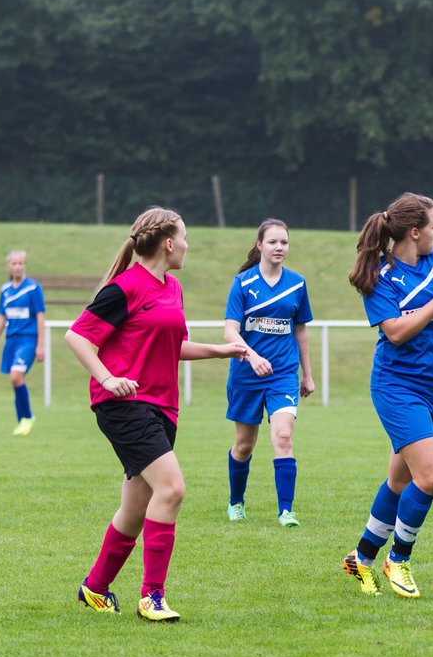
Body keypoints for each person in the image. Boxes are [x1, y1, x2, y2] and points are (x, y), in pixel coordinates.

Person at [66, 207, 246, 621]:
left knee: (135, 508)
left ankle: (94, 588)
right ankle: (152, 596)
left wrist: (220, 350)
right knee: (173, 489)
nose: (187, 245)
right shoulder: (125, 288)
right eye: (184, 237)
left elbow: (172, 346)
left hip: (163, 408)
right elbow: (77, 336)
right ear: (168, 242)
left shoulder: (173, 287)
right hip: (126, 406)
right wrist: (109, 378)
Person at [341, 192, 433, 599]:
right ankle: (398, 558)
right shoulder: (379, 276)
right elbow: (395, 331)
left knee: (400, 479)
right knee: (430, 477)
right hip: (397, 386)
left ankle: (359, 559)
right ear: (415, 232)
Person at [223, 218, 315, 527]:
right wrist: (251, 356)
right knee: (244, 445)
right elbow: (229, 332)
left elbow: (300, 331)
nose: (279, 247)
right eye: (273, 242)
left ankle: (286, 511)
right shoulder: (243, 283)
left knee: (284, 436)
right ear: (260, 245)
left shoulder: (297, 284)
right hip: (246, 375)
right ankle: (236, 503)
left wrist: (308, 374)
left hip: (283, 374)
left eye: (284, 242)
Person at [0, 250, 46, 436]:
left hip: (28, 339)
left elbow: (41, 316)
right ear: (8, 266)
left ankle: (27, 418)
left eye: (21, 263)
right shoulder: (5, 290)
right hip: (11, 340)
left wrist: (41, 344)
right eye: (14, 263)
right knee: (15, 380)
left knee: (15, 376)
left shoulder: (33, 288)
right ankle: (22, 421)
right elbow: (1, 318)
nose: (18, 266)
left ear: (25, 265)